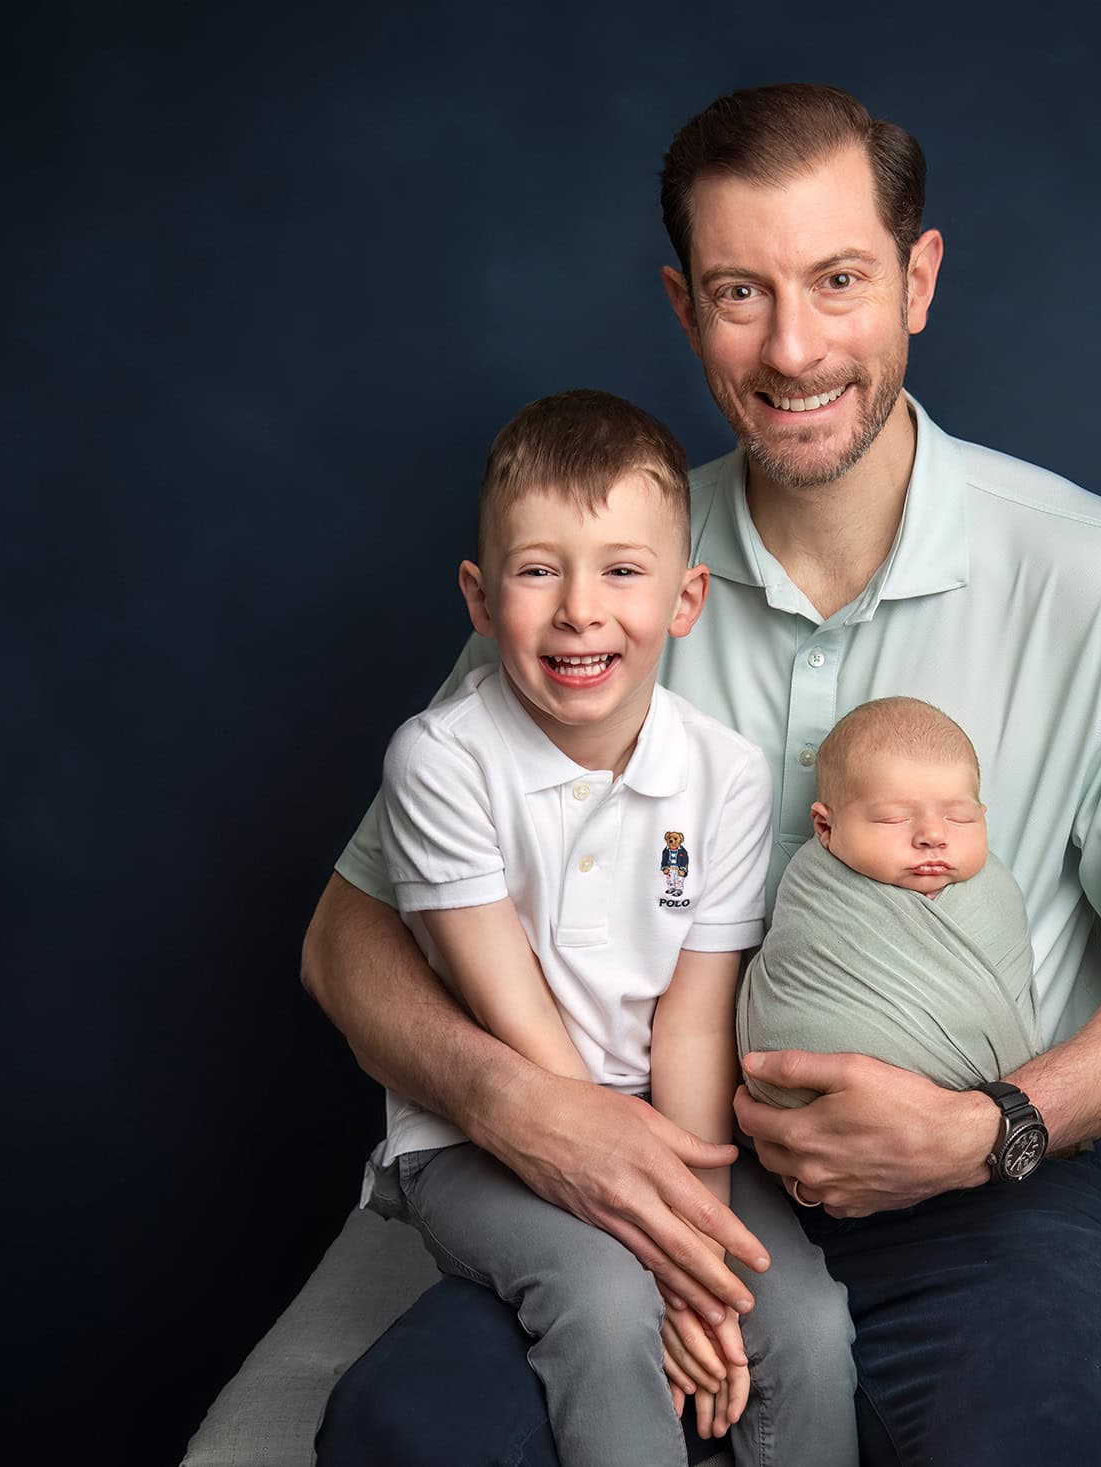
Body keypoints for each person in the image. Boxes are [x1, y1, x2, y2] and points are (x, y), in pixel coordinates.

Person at [307, 83, 1101, 1467]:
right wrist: (522, 1104)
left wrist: (987, 1127)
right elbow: (353, 930)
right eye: (740, 292)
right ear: (685, 306)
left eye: (837, 281)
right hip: (639, 1170)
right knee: (407, 1437)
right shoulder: (605, 560)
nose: (795, 345)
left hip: (978, 1191)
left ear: (918, 279)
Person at [368, 388, 857, 1465]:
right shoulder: (438, 762)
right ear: (479, 596)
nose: (580, 610)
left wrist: (703, 1253)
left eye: (621, 571)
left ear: (685, 600)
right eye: (538, 569)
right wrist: (651, 1248)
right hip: (489, 1130)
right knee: (603, 1300)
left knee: (804, 1324)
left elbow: (691, 1025)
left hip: (662, 1116)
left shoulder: (722, 774)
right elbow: (516, 1019)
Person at [738, 697, 1043, 1112]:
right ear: (826, 827)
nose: (933, 835)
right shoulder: (816, 891)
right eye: (894, 819)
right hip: (813, 1118)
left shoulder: (994, 891)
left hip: (990, 1125)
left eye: (960, 818)